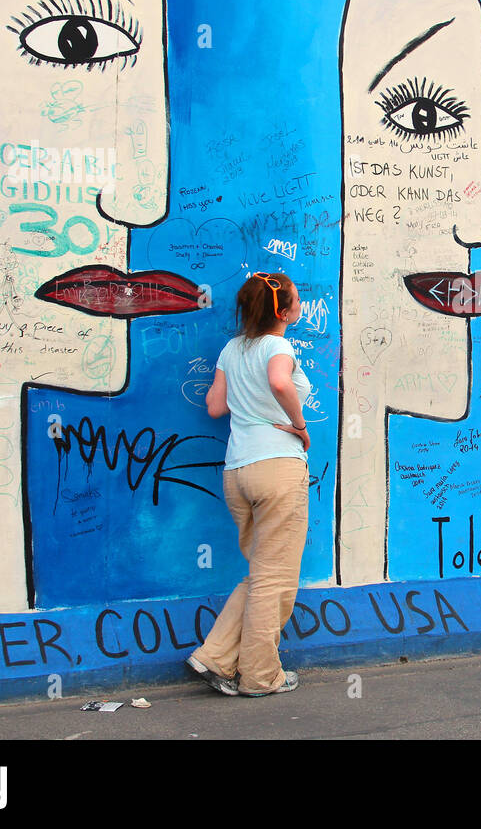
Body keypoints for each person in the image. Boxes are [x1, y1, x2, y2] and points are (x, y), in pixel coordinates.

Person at [186, 271, 313, 694]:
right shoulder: (278, 346)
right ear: (282, 310)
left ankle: (214, 657)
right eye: (297, 298)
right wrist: (299, 425)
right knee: (276, 579)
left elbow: (214, 406)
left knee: (261, 573)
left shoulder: (232, 349)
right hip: (277, 466)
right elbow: (279, 381)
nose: (301, 303)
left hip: (237, 471)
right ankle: (260, 677)